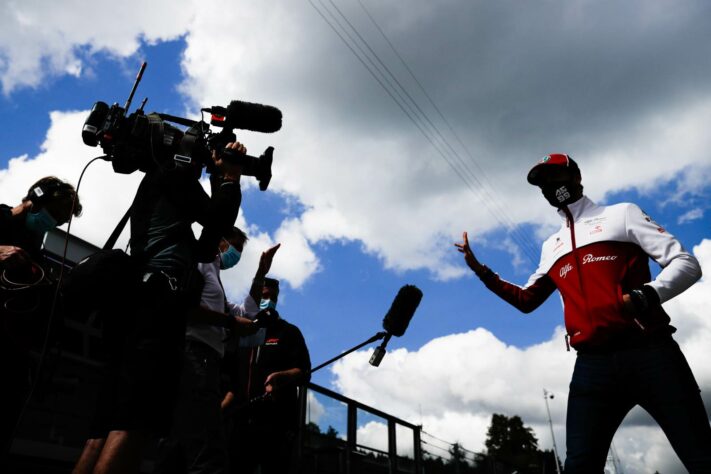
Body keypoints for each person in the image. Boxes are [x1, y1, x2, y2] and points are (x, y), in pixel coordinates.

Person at [455, 153, 711, 472]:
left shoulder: (622, 215)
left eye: (555, 178)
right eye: (543, 184)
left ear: (576, 177)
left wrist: (644, 296)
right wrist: (480, 270)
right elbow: (526, 300)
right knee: (579, 466)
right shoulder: (553, 246)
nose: (551, 187)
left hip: (651, 353)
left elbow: (687, 263)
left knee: (700, 455)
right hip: (592, 366)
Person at [73, 142, 246, 474]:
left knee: (101, 430)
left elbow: (206, 244)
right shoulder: (177, 175)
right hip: (157, 303)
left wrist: (219, 181)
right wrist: (230, 177)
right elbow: (218, 220)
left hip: (131, 303)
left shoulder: (155, 185)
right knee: (134, 422)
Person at [153, 226, 255, 474]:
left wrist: (260, 273)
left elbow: (245, 313)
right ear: (221, 241)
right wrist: (230, 323)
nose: (236, 255)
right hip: (196, 356)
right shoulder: (200, 263)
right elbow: (189, 308)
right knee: (207, 447)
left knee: (184, 441)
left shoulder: (214, 275)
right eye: (235, 247)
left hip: (205, 360)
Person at [0, 176, 82, 456]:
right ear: (35, 200)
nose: (54, 223)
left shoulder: (37, 255)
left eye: (60, 221)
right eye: (55, 214)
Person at [223, 244, 311, 474]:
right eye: (264, 295)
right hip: (239, 424)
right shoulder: (241, 330)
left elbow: (304, 371)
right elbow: (230, 376)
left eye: (272, 296)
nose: (268, 299)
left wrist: (285, 377)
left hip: (277, 427)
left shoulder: (289, 332)